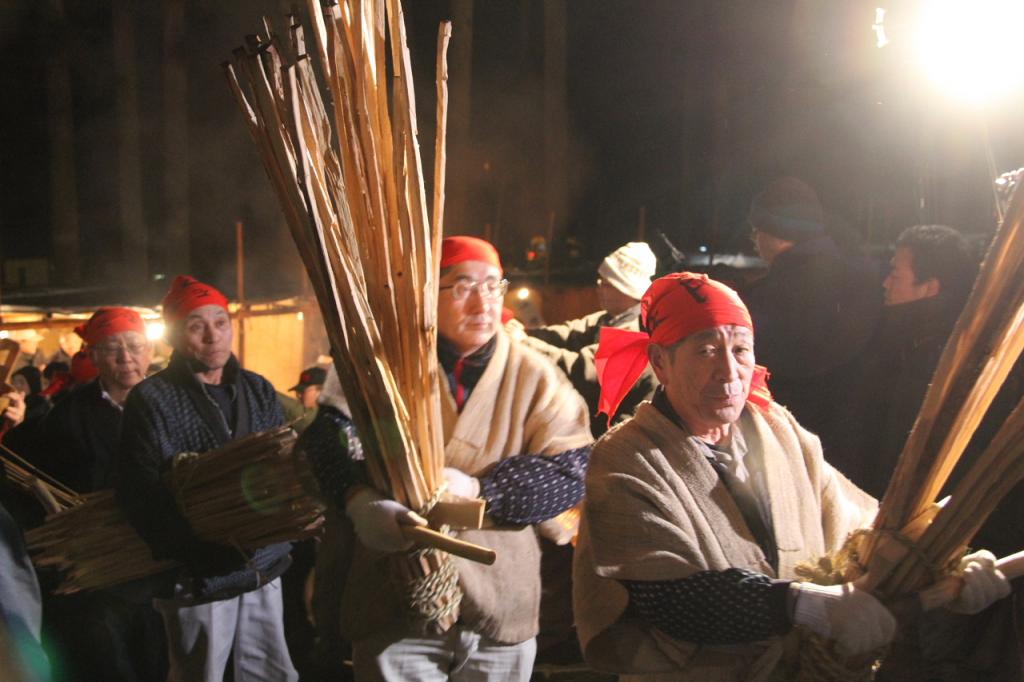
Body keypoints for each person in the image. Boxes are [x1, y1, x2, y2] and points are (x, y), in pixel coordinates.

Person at [574, 272, 1009, 680]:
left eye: (741, 349)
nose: (729, 371)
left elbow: (864, 531)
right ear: (660, 362)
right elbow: (669, 598)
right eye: (705, 350)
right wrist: (798, 604)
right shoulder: (626, 458)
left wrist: (942, 564)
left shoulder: (778, 430)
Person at [299, 236, 592, 681]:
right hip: (393, 595)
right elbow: (328, 437)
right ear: (426, 297)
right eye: (461, 287)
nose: (483, 302)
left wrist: (480, 491)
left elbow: (571, 468)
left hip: (500, 604)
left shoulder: (536, 376)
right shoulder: (379, 367)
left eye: (493, 286)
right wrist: (357, 498)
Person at [116, 275, 297, 682]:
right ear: (177, 336)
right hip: (197, 572)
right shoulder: (153, 399)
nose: (212, 335)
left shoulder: (258, 390)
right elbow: (140, 490)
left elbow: (281, 468)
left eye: (220, 321)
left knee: (272, 673)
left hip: (261, 563)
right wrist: (193, 552)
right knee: (199, 675)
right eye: (196, 325)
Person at [28, 308, 168, 681]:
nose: (126, 358)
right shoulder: (67, 418)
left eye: (135, 346)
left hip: (163, 565)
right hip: (100, 572)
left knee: (159, 663)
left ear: (149, 349)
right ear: (93, 356)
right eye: (112, 348)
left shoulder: (170, 403)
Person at [742, 177, 882, 458]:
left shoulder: (776, 293)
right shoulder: (858, 277)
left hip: (791, 437)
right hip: (851, 433)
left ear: (778, 234)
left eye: (757, 231)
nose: (755, 241)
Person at [511, 241, 659, 438]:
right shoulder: (609, 317)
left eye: (606, 283)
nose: (599, 287)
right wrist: (527, 332)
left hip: (617, 431)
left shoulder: (635, 333)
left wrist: (523, 342)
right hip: (597, 419)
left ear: (626, 288)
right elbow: (568, 333)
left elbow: (583, 369)